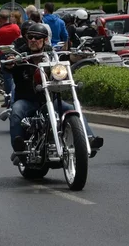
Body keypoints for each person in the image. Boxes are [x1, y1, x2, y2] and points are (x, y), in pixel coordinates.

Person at [7, 23, 103, 158]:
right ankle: (19, 146)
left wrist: (77, 56)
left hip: (50, 101)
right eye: (30, 37)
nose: (33, 40)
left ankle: (89, 139)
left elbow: (65, 58)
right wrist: (10, 62)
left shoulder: (52, 54)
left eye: (37, 37)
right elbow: (7, 65)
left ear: (45, 39)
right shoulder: (21, 54)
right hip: (27, 100)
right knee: (16, 110)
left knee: (72, 108)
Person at [0, 10, 21, 108]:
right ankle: (16, 97)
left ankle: (8, 99)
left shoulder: (0, 31)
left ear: (0, 19)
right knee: (17, 77)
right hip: (16, 53)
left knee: (7, 78)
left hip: (4, 55)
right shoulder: (16, 27)